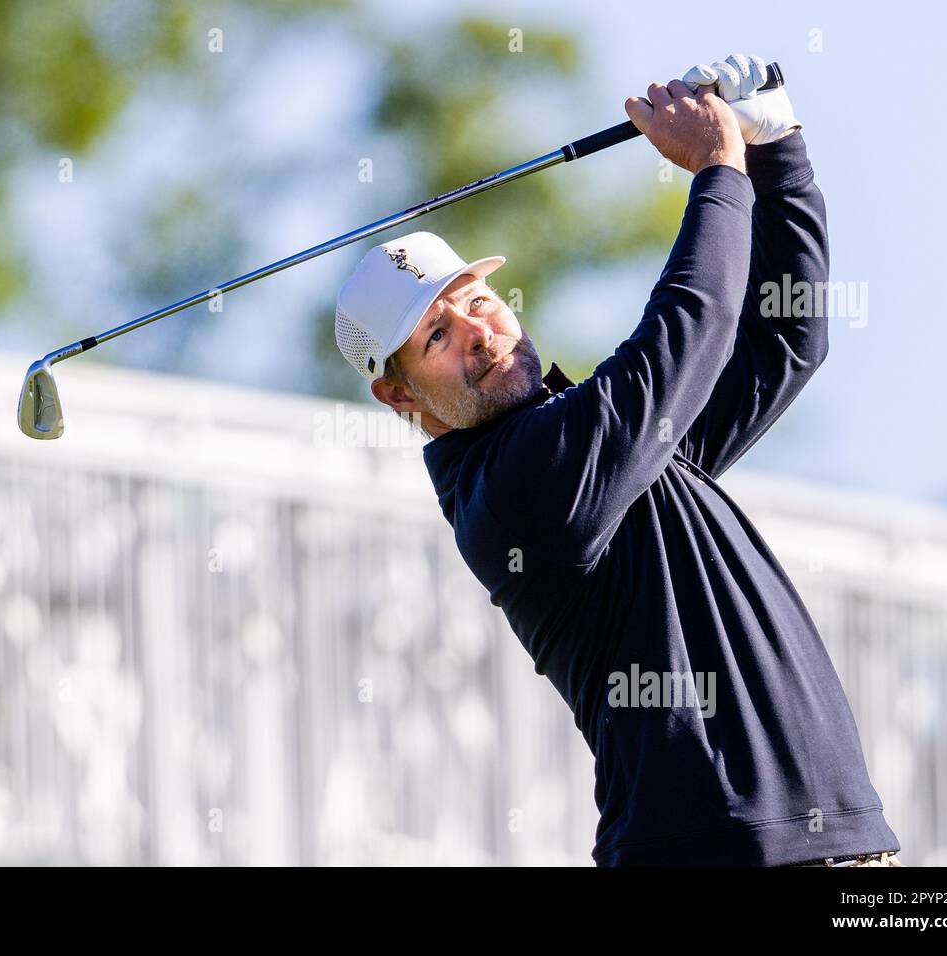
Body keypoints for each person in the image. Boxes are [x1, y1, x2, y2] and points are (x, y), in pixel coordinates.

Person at [333, 53, 902, 866]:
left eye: (478, 303)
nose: (481, 334)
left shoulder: (618, 451)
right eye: (437, 336)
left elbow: (785, 339)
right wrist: (717, 170)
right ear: (401, 398)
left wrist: (777, 151)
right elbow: (687, 331)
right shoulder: (516, 488)